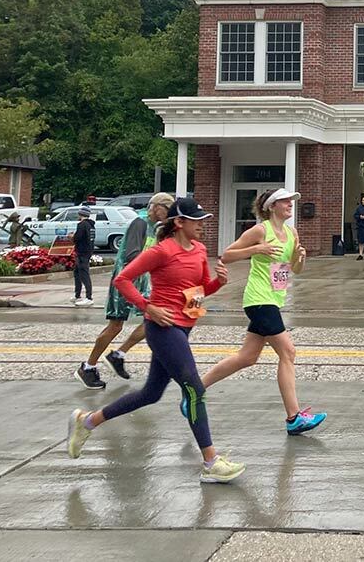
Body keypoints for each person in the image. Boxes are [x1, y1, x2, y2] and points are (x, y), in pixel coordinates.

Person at [65, 197, 246, 484]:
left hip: (184, 326)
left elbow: (198, 291)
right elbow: (122, 279)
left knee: (151, 393)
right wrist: (147, 307)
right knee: (195, 389)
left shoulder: (199, 250)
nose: (202, 225)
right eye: (196, 220)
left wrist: (219, 283)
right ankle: (211, 461)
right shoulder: (162, 251)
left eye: (203, 220)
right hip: (162, 329)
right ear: (179, 223)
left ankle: (87, 421)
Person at [200, 188, 326, 436]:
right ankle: (294, 417)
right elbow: (226, 255)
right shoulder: (260, 231)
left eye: (292, 201)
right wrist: (255, 250)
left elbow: (295, 269)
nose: (291, 204)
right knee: (288, 351)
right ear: (271, 206)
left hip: (273, 299)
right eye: (285, 201)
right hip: (258, 299)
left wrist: (301, 258)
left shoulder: (291, 233)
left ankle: (195, 390)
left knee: (247, 357)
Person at [76, 192, 174, 389]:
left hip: (141, 280)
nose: (168, 214)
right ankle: (89, 366)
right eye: (166, 209)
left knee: (155, 318)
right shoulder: (140, 223)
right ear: (155, 207)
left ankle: (118, 354)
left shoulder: (156, 228)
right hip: (126, 279)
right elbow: (132, 253)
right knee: (116, 325)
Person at [72, 206, 96, 306]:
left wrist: (72, 237)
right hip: (88, 251)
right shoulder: (91, 225)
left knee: (84, 274)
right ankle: (77, 295)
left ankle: (89, 297)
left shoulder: (82, 225)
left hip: (82, 252)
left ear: (80, 214)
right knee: (77, 273)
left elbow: (77, 238)